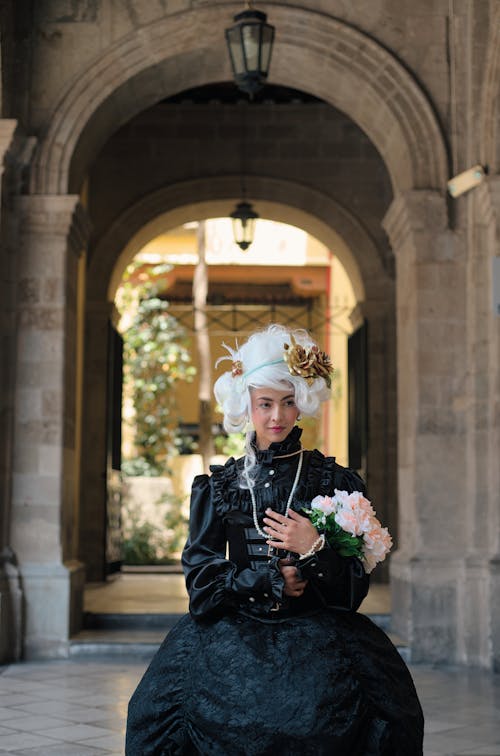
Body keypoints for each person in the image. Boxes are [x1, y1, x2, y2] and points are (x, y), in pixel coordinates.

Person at [126, 324, 424, 755]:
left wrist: (315, 548)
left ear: (301, 403)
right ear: (246, 404)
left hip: (319, 635)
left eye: (287, 403)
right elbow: (201, 588)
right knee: (154, 715)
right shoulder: (219, 486)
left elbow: (353, 594)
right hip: (231, 636)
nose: (277, 417)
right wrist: (264, 581)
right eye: (265, 403)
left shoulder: (334, 482)